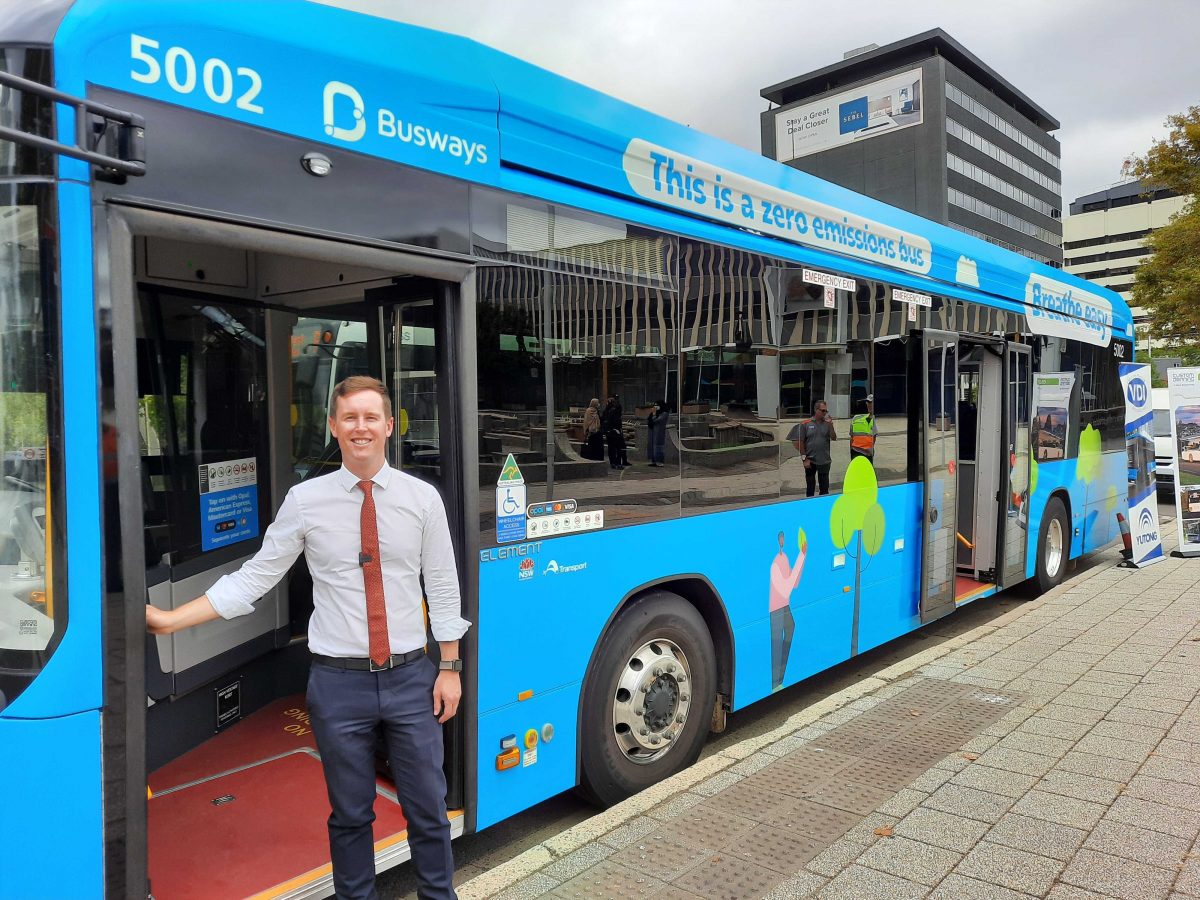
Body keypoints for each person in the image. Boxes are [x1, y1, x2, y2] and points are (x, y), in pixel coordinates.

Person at [145, 376, 468, 900]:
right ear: (333, 427)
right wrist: (169, 620)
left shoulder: (422, 499)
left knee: (429, 809)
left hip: (412, 676)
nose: (360, 427)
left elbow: (444, 585)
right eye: (349, 418)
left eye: (370, 417)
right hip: (338, 686)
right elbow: (256, 577)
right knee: (349, 815)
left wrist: (449, 669)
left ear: (389, 426)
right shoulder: (305, 500)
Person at [769, 530, 806, 691]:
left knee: (790, 628)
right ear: (778, 540)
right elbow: (785, 588)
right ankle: (775, 682)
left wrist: (802, 556)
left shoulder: (784, 559)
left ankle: (778, 680)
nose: (783, 540)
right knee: (776, 644)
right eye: (781, 537)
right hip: (776, 607)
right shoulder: (776, 563)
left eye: (784, 537)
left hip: (784, 605)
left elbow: (794, 582)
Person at [790, 399, 837, 497]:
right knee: (810, 488)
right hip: (810, 461)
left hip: (825, 461)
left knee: (824, 488)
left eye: (826, 411)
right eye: (823, 410)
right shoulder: (806, 424)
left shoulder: (827, 423)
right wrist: (804, 459)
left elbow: (834, 438)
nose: (825, 413)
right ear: (816, 410)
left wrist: (831, 426)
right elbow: (798, 442)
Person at [849, 394, 878, 462]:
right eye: (867, 402)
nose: (868, 404)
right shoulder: (857, 418)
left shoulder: (856, 418)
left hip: (865, 452)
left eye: (870, 402)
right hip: (857, 451)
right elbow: (851, 437)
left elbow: (874, 437)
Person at [602, 395, 628, 469]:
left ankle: (613, 463)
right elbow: (615, 421)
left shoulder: (606, 411)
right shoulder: (614, 411)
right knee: (618, 448)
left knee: (612, 448)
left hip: (609, 432)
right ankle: (617, 463)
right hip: (615, 432)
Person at [646, 400, 670, 466]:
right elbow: (649, 420)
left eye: (657, 405)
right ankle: (653, 461)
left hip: (659, 432)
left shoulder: (664, 413)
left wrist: (654, 414)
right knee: (651, 445)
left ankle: (659, 461)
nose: (655, 407)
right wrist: (653, 414)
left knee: (658, 445)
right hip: (652, 431)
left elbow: (657, 420)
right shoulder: (655, 412)